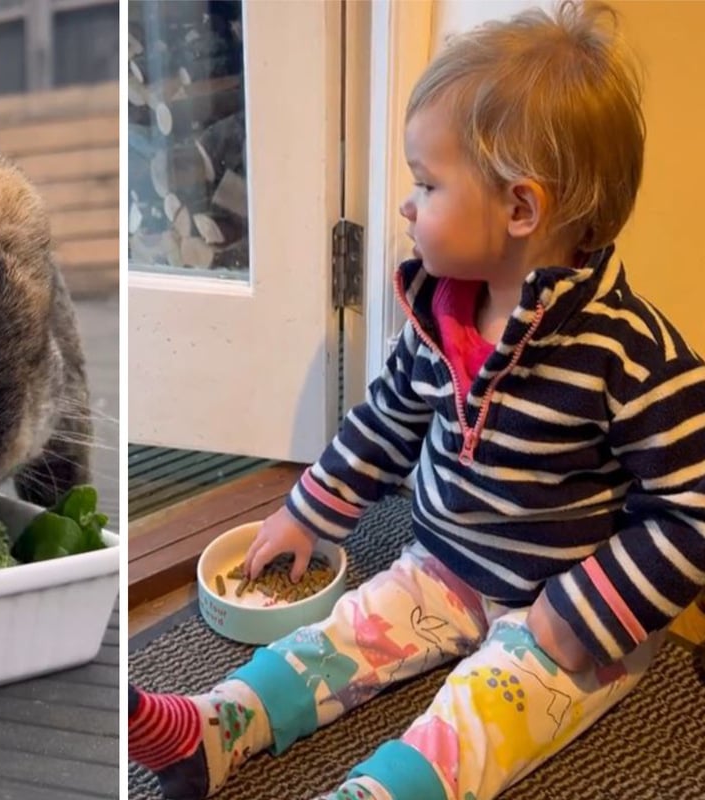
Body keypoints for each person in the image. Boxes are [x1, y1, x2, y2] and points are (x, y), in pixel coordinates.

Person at [128, 3, 705, 799]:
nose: (407, 204)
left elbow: (691, 508)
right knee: (344, 634)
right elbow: (383, 423)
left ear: (521, 210)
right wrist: (307, 512)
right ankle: (216, 728)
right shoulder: (445, 313)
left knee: (476, 720)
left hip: (562, 613)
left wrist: (583, 612)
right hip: (443, 565)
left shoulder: (631, 353)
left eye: (427, 184)